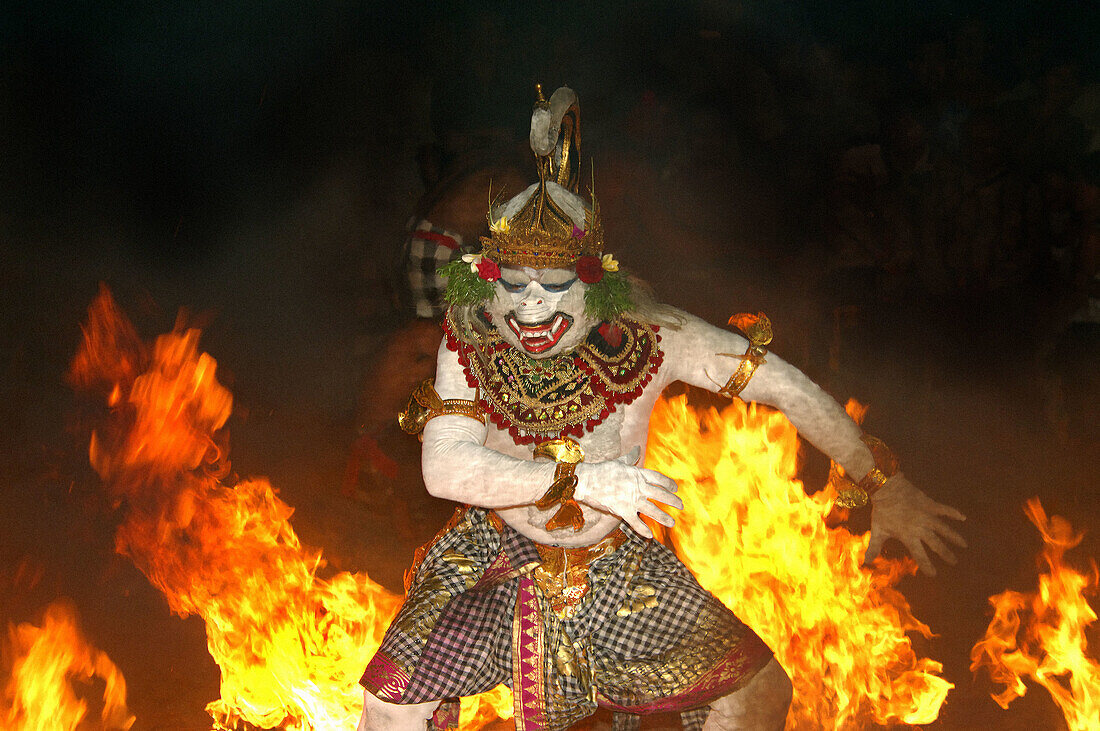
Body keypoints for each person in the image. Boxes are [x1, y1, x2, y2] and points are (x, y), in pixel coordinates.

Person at [357, 87, 966, 731]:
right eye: (514, 286)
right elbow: (446, 468)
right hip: (496, 559)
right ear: (488, 279)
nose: (530, 308)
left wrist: (880, 479)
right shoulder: (469, 333)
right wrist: (589, 481)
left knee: (759, 698)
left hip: (624, 569)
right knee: (392, 701)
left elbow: (783, 386)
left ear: (596, 279)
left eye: (554, 285)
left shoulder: (656, 333)